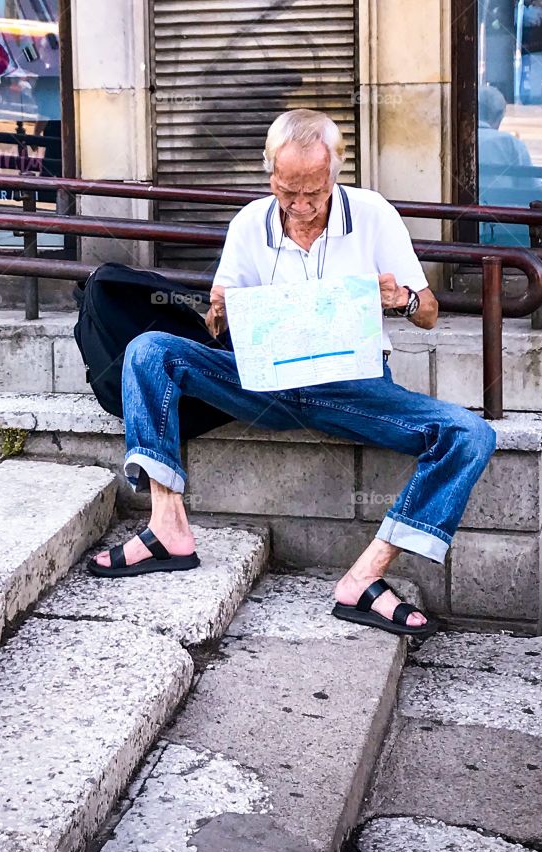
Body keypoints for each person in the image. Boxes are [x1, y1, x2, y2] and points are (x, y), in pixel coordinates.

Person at [88, 109, 497, 638]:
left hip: (353, 390)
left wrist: (401, 299)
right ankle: (167, 527)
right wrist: (219, 311)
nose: (302, 207)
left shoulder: (372, 214)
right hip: (265, 384)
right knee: (148, 351)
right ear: (270, 177)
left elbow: (429, 312)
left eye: (315, 192)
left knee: (471, 434)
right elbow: (218, 328)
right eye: (288, 192)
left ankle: (365, 577)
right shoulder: (248, 224)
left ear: (336, 173)